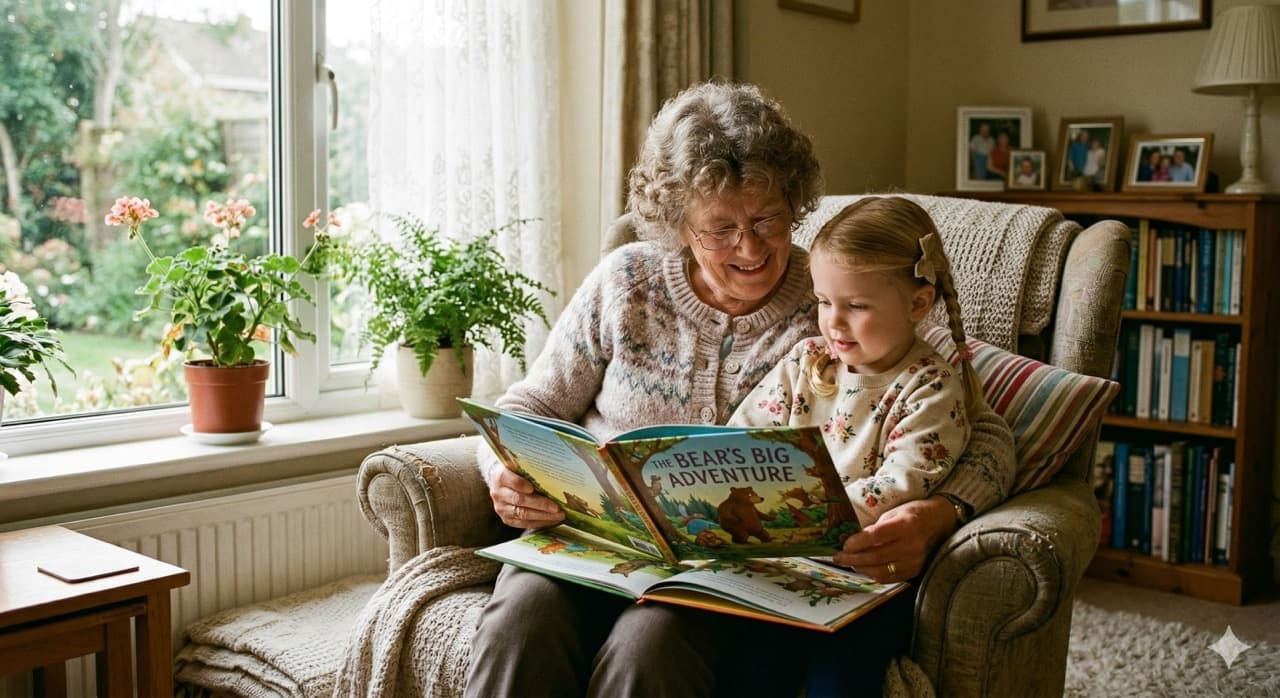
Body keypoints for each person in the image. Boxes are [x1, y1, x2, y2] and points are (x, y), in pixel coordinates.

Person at [465, 81, 1015, 698]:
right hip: (594, 540)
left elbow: (983, 429)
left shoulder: (842, 297)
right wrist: (503, 471)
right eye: (719, 228)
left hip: (722, 571)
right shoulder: (626, 283)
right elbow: (526, 406)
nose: (749, 248)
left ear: (794, 204)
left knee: (649, 652)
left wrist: (939, 513)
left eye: (766, 220)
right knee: (518, 622)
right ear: (679, 225)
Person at [729, 197, 981, 528]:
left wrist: (796, 518)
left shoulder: (929, 389)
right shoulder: (805, 360)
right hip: (773, 531)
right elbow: (741, 442)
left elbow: (896, 487)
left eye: (857, 306)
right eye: (823, 301)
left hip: (842, 550)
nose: (833, 322)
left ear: (918, 304)